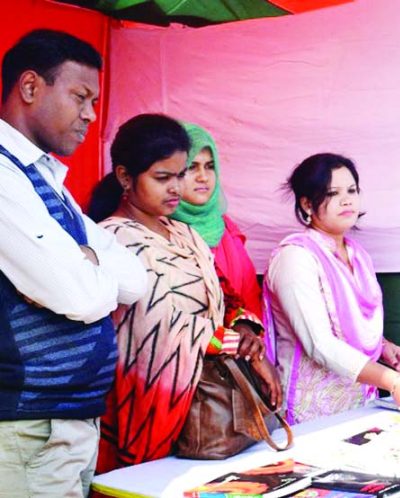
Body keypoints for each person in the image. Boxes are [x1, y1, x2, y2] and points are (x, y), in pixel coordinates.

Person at [87, 114, 280, 472]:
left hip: (208, 410)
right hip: (147, 407)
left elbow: (225, 296)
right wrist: (240, 349)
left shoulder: (185, 234)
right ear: (125, 177)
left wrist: (248, 332)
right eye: (163, 178)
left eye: (180, 175)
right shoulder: (112, 239)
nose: (176, 187)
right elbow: (153, 323)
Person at [0, 30, 146, 497]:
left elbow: (135, 280)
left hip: (61, 422)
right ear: (29, 87)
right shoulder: (3, 174)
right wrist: (83, 269)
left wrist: (84, 260)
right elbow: (77, 296)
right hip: (28, 427)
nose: (91, 114)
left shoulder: (46, 180)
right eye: (80, 96)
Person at [264, 153, 400, 424]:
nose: (347, 199)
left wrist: (384, 346)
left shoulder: (358, 256)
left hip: (361, 405)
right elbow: (320, 343)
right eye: (332, 193)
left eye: (352, 190)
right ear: (306, 203)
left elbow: (349, 324)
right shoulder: (295, 257)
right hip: (307, 415)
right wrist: (391, 380)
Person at [170, 122, 265, 359]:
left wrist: (249, 336)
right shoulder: (162, 228)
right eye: (192, 167)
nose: (203, 177)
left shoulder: (225, 227)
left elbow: (248, 294)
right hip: (183, 359)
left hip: (236, 361)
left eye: (210, 167)